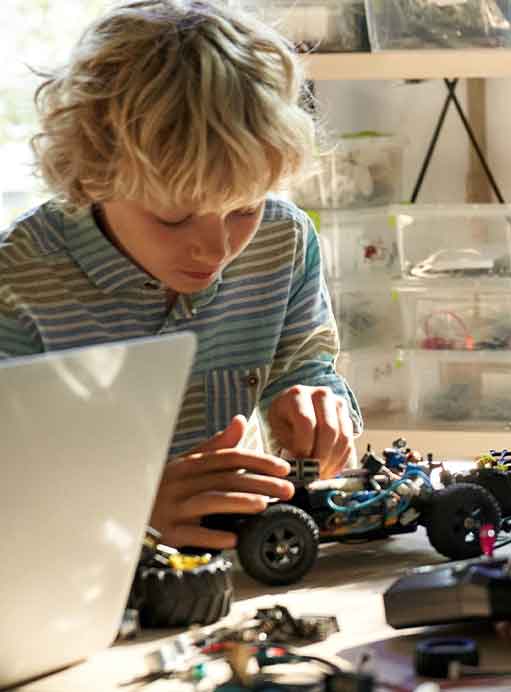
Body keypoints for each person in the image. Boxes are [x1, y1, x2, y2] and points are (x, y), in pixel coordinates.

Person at [0, 0, 360, 549]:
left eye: (244, 207)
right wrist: (128, 516)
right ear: (93, 174)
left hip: (245, 570)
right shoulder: (18, 279)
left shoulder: (281, 241)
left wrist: (315, 406)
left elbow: (305, 368)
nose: (216, 249)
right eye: (173, 217)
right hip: (80, 590)